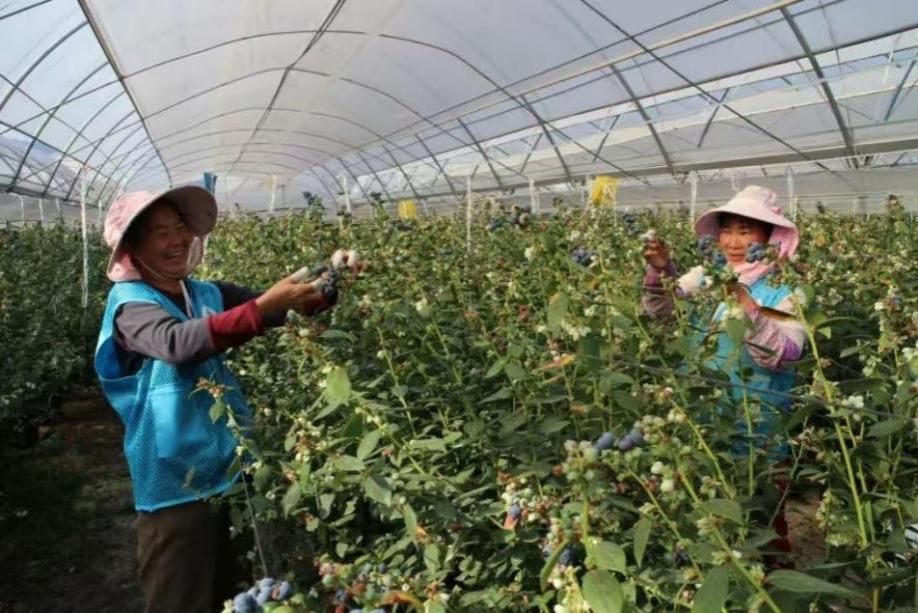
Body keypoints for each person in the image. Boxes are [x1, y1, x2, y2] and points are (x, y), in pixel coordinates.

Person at [94, 187, 335, 613]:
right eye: (161, 233)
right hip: (175, 486)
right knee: (180, 598)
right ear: (132, 248)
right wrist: (261, 307)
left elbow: (280, 309)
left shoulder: (204, 293)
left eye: (180, 228)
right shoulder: (130, 307)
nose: (177, 240)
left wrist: (329, 284)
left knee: (237, 594)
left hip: (231, 471)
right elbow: (176, 343)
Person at [641, 185, 806, 559]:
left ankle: (770, 580)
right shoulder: (707, 275)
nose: (732, 242)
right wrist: (661, 270)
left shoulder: (785, 291)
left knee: (764, 524)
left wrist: (747, 305)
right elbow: (663, 313)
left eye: (745, 231)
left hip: (759, 431)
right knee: (712, 517)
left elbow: (784, 354)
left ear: (770, 237)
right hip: (708, 425)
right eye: (727, 230)